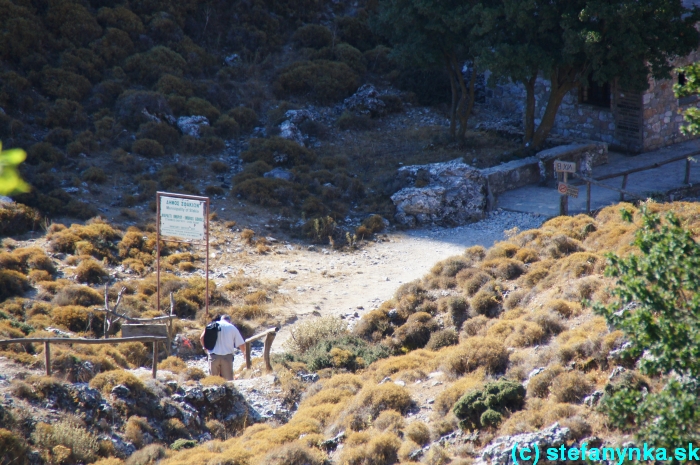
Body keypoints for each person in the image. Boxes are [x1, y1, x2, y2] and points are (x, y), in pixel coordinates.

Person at [199, 314, 246, 380]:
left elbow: (201, 338)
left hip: (213, 356)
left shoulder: (211, 325)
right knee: (228, 381)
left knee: (214, 382)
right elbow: (241, 343)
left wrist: (205, 348)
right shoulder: (232, 327)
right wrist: (245, 353)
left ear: (221, 319)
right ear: (229, 320)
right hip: (227, 358)